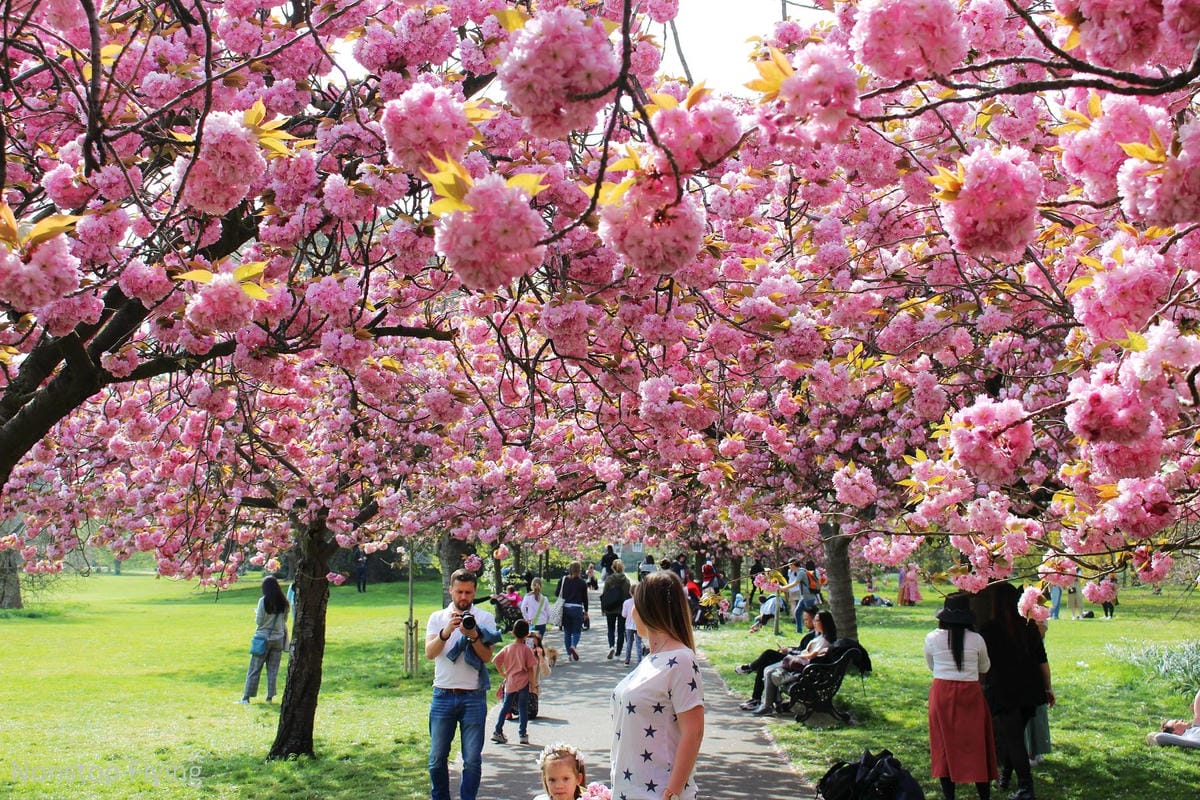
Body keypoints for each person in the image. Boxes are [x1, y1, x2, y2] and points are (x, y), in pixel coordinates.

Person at [611, 570, 704, 800]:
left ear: (647, 609)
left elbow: (693, 732)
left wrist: (670, 793)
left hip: (656, 793)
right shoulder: (650, 660)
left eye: (636, 603)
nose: (631, 611)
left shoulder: (681, 660)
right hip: (630, 790)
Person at [425, 568, 500, 800]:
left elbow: (486, 657)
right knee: (437, 757)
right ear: (451, 590)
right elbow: (430, 652)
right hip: (443, 695)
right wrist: (446, 632)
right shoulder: (437, 618)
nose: (464, 597)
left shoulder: (485, 618)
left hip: (473, 697)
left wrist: (474, 634)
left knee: (472, 760)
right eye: (459, 592)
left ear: (475, 591)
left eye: (468, 592)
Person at [979, 582, 1054, 800]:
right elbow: (1042, 660)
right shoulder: (1029, 627)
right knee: (1016, 735)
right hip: (1029, 688)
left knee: (1013, 738)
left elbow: (984, 663)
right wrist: (1048, 687)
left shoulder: (990, 629)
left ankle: (1025, 787)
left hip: (1004, 688)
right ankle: (1006, 776)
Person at [925, 592, 995, 800]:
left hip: (941, 693)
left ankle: (949, 796)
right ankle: (984, 795)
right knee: (977, 744)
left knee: (943, 745)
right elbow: (985, 666)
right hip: (970, 694)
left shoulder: (931, 638)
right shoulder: (977, 639)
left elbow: (931, 666)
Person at [751, 609, 836, 715]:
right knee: (768, 670)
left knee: (769, 672)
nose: (814, 623)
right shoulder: (820, 637)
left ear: (825, 623)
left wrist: (794, 655)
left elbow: (811, 655)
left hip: (804, 671)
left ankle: (768, 705)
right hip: (802, 667)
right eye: (814, 620)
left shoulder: (824, 641)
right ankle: (772, 703)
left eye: (817, 621)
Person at [734, 606, 818, 710]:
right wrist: (788, 649)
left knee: (768, 654)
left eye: (807, 619)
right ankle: (755, 697)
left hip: (797, 663)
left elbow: (805, 653)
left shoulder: (816, 636)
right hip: (795, 659)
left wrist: (788, 651)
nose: (805, 622)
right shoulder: (813, 634)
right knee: (764, 663)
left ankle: (750, 668)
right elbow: (802, 649)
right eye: (804, 619)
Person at [239, 575, 290, 704]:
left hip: (262, 638)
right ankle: (269, 697)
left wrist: (257, 613)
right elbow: (284, 620)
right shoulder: (284, 602)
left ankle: (246, 697)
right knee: (273, 670)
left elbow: (259, 621)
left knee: (255, 668)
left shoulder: (263, 601)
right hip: (278, 638)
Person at [491, 620, 537, 746]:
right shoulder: (527, 650)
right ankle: (522, 734)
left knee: (506, 706)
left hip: (510, 681)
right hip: (523, 681)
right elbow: (531, 669)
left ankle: (498, 730)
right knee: (523, 708)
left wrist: (502, 673)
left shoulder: (508, 648)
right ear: (527, 634)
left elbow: (496, 661)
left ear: (512, 633)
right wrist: (533, 684)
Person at [601, 559, 632, 660]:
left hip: (610, 608)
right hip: (622, 609)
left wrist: (603, 608)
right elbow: (629, 595)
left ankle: (611, 646)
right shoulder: (626, 581)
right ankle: (618, 653)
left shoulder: (609, 580)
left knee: (610, 629)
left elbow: (604, 594)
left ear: (613, 568)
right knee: (621, 631)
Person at [558, 561, 589, 661]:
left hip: (566, 608)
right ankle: (573, 646)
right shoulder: (582, 582)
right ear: (579, 569)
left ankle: (569, 654)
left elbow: (556, 593)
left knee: (567, 632)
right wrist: (586, 611)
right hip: (577, 608)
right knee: (576, 631)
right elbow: (585, 598)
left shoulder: (563, 580)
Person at [621, 590, 643, 666]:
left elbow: (623, 614)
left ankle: (627, 660)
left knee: (629, 643)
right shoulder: (641, 602)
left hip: (629, 625)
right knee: (638, 643)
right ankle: (639, 660)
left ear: (630, 592)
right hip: (638, 624)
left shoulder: (626, 602)